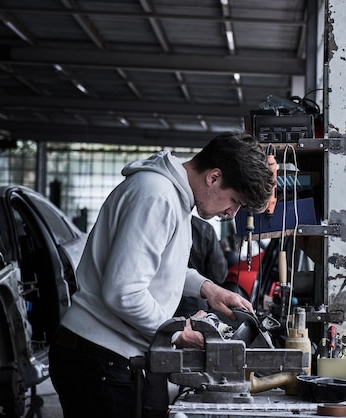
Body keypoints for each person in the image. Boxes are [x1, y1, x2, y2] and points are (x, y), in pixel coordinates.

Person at [48, 132, 274, 418]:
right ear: (214, 177)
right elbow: (124, 292)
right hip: (99, 355)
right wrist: (179, 332)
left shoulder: (174, 198)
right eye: (234, 200)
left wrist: (207, 288)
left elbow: (159, 267)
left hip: (108, 355)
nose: (232, 213)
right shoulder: (157, 197)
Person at [174, 216, 228, 317]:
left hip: (165, 304)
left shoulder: (170, 223)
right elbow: (219, 274)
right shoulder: (205, 230)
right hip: (195, 306)